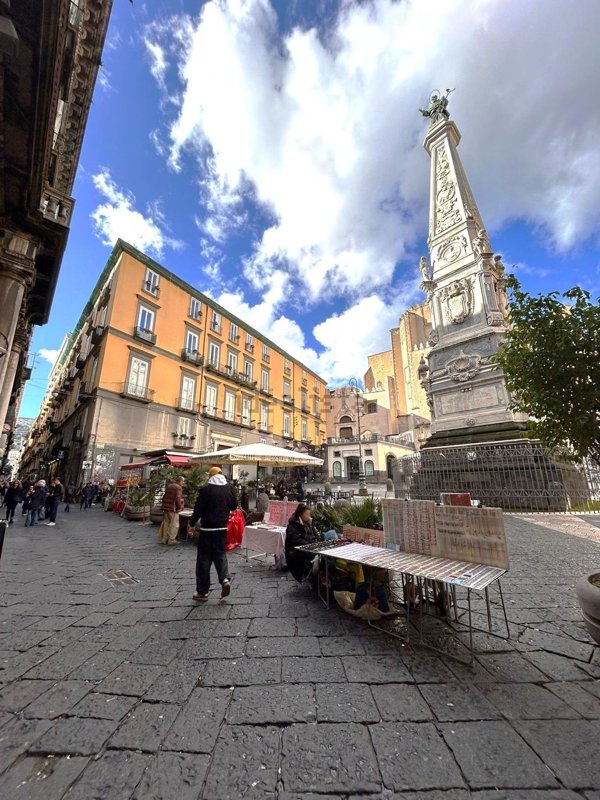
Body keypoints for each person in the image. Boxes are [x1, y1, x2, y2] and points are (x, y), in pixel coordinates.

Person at [188, 466, 237, 602]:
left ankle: (202, 592)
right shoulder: (229, 489)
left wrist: (191, 524)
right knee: (220, 555)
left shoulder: (206, 489)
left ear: (211, 476)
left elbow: (198, 509)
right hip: (222, 529)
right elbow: (234, 505)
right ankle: (225, 579)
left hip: (207, 529)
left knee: (204, 559)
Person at [285, 503, 320, 584]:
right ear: (301, 514)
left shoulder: (308, 523)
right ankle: (316, 578)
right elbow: (298, 541)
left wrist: (311, 526)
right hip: (296, 553)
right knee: (317, 557)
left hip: (307, 548)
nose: (309, 516)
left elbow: (316, 537)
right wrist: (310, 544)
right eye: (307, 514)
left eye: (309, 514)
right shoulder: (292, 526)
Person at [161, 475, 185, 546]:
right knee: (174, 524)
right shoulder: (178, 488)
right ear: (180, 481)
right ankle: (171, 540)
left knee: (166, 523)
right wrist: (179, 507)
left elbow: (164, 497)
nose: (183, 483)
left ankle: (164, 539)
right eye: (183, 482)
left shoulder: (169, 486)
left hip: (166, 508)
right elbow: (177, 499)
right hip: (173, 508)